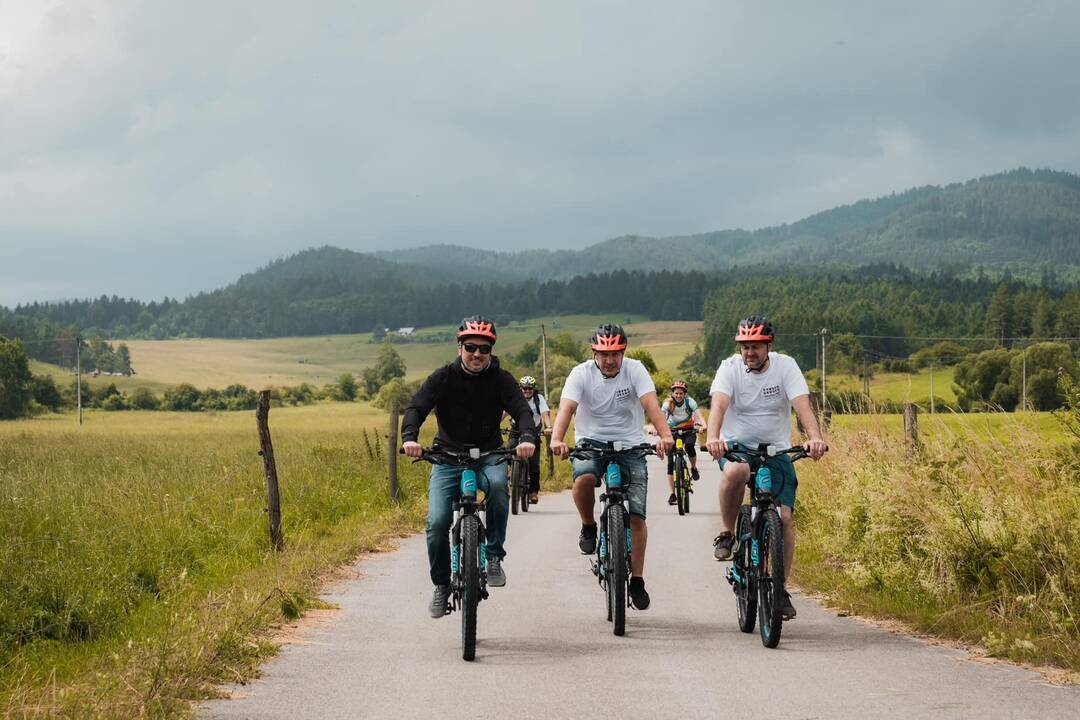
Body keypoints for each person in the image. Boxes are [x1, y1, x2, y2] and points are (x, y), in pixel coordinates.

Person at [402, 315, 537, 619]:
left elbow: (521, 410)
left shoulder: (502, 379)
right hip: (447, 457)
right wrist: (410, 437)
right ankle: (441, 584)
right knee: (437, 522)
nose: (477, 354)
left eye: (484, 349)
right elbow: (417, 407)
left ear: (491, 350)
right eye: (471, 347)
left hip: (488, 454)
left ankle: (492, 557)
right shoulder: (443, 377)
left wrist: (527, 438)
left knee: (500, 487)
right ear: (460, 346)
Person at [704, 315, 827, 621]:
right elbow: (718, 405)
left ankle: (780, 587)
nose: (749, 352)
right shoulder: (729, 368)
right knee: (736, 472)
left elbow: (802, 406)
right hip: (736, 447)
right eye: (745, 346)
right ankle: (726, 533)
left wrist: (814, 437)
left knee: (784, 518)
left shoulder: (786, 366)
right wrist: (713, 437)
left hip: (776, 450)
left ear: (768, 346)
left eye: (756, 346)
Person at [550, 323, 674, 611]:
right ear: (594, 352)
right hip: (591, 442)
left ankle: (638, 580)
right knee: (583, 479)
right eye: (603, 354)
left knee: (637, 517)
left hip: (630, 445)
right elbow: (567, 408)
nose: (609, 360)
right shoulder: (581, 374)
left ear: (623, 352)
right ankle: (589, 526)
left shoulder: (635, 370)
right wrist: (557, 439)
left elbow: (651, 405)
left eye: (615, 354)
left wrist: (665, 436)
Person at [660, 379, 705, 506]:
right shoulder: (667, 403)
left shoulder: (690, 402)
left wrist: (703, 425)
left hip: (688, 430)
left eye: (681, 393)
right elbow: (661, 416)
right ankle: (672, 494)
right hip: (672, 431)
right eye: (676, 393)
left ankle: (694, 468)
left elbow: (698, 416)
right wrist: (656, 428)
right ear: (673, 394)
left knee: (690, 446)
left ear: (684, 394)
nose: (678, 395)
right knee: (670, 462)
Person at [515, 375, 551, 504]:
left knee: (534, 464)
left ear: (533, 389)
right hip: (516, 430)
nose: (527, 391)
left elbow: (544, 414)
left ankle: (533, 492)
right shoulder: (516, 397)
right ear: (521, 388)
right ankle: (512, 472)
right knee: (507, 449)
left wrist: (549, 427)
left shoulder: (538, 399)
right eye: (524, 388)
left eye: (530, 388)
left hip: (533, 432)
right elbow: (505, 412)